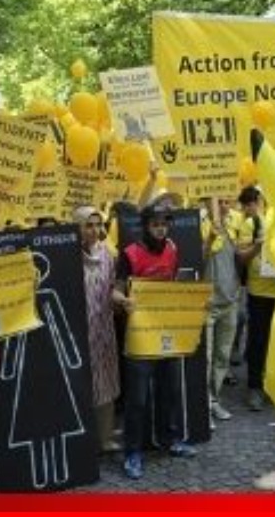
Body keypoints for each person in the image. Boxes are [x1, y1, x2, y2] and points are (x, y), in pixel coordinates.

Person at [114, 202, 197, 480]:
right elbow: (115, 291)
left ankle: (169, 440)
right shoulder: (130, 253)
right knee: (137, 399)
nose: (161, 229)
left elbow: (173, 285)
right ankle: (132, 453)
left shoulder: (172, 248)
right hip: (139, 334)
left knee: (170, 390)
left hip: (166, 331)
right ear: (145, 226)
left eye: (164, 224)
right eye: (156, 224)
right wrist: (123, 300)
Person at [74, 205, 122, 453]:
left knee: (105, 382)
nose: (94, 230)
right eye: (88, 225)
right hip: (78, 332)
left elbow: (113, 285)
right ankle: (82, 440)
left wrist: (120, 299)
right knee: (80, 386)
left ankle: (104, 437)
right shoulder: (68, 256)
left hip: (103, 328)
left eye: (98, 225)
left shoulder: (106, 254)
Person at [236, 186, 275, 412]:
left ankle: (274, 386)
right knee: (258, 341)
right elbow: (241, 258)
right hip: (259, 292)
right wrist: (258, 246)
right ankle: (255, 387)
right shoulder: (252, 223)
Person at [203, 196, 240, 422]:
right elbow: (195, 259)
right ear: (207, 203)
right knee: (205, 359)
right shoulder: (199, 225)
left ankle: (214, 399)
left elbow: (239, 259)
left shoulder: (235, 225)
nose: (224, 206)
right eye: (220, 202)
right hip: (206, 304)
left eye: (228, 202)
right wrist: (209, 239)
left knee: (222, 356)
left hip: (230, 301)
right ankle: (203, 405)